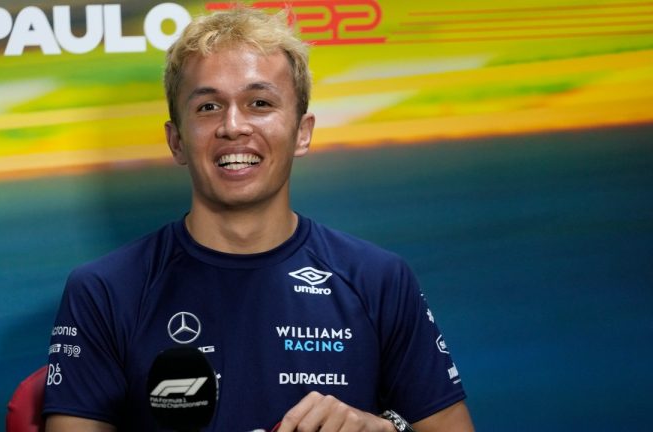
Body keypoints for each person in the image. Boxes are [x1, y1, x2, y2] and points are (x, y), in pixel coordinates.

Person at [43, 6, 474, 432]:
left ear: (302, 132)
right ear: (176, 141)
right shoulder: (103, 290)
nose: (233, 126)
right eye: (208, 107)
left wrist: (387, 429)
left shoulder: (378, 279)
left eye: (260, 102)